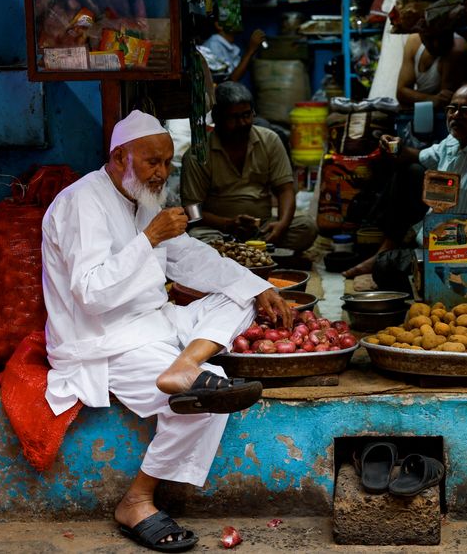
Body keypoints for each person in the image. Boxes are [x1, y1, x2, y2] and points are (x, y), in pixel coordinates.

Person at [41, 110, 292, 552]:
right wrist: (149, 239)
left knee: (238, 298)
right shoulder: (83, 202)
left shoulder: (141, 198)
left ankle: (187, 362)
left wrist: (260, 286)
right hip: (104, 339)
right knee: (206, 401)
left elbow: (187, 255)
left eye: (167, 163)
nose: (162, 173)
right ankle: (136, 501)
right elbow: (91, 293)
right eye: (152, 162)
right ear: (120, 157)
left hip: (156, 322)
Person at [342, 82, 467, 279]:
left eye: (466, 110)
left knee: (385, 269)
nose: (455, 115)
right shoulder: (455, 141)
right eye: (452, 109)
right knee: (409, 172)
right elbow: (418, 156)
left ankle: (390, 258)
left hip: (461, 249)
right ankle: (387, 249)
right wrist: (396, 146)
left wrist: (447, 249)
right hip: (434, 232)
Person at [181, 81, 318, 252]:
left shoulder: (270, 140)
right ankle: (259, 255)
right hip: (219, 232)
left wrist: (281, 225)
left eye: (247, 115)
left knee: (306, 227)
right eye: (234, 117)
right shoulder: (197, 154)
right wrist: (227, 224)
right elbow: (191, 211)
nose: (242, 123)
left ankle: (241, 256)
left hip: (261, 230)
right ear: (217, 118)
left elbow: (285, 189)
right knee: (196, 239)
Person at [396, 30, 467, 111]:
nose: (436, 44)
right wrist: (431, 99)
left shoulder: (457, 52)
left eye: (441, 37)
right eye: (429, 38)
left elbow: (444, 105)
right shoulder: (413, 41)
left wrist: (418, 98)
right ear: (420, 34)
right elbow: (401, 93)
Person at [197, 21, 266, 83]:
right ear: (218, 25)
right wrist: (251, 50)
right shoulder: (213, 45)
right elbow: (229, 81)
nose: (238, 19)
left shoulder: (231, 46)